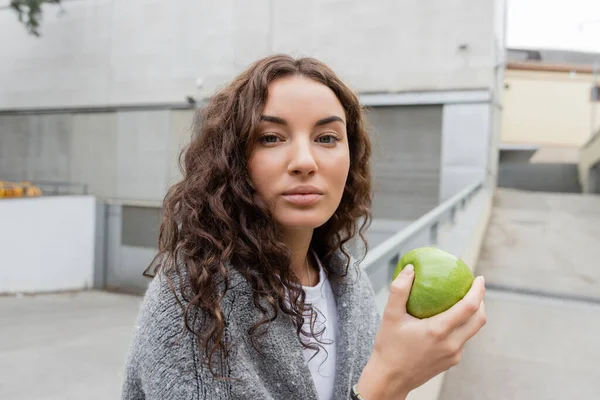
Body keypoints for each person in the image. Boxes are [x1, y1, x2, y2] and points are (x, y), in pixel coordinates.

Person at [121, 54, 487, 400]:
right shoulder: (192, 299)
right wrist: (389, 381)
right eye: (271, 138)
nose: (304, 161)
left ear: (351, 157)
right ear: (232, 160)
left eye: (326, 138)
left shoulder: (349, 284)